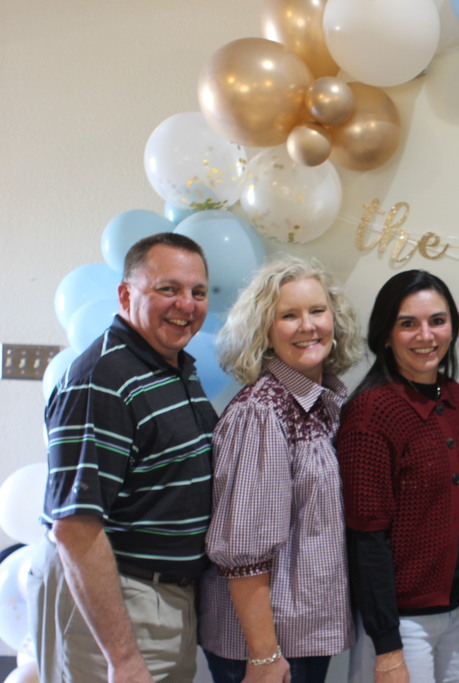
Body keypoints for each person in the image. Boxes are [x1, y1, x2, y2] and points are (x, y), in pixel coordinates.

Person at [31, 232, 216, 682]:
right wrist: (123, 658)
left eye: (198, 292)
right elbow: (75, 529)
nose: (186, 304)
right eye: (168, 289)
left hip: (164, 596)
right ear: (125, 294)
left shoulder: (168, 364)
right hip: (117, 598)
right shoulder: (102, 380)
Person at [198, 256, 363, 682]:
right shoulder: (263, 412)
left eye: (317, 311)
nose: (308, 326)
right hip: (267, 648)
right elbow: (242, 549)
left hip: (302, 635)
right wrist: (263, 657)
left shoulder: (322, 404)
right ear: (265, 333)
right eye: (288, 315)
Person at [337, 270, 459, 683]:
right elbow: (368, 538)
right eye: (408, 324)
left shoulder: (454, 397)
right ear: (385, 334)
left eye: (437, 320)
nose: (426, 335)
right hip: (402, 625)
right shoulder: (372, 413)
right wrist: (387, 648)